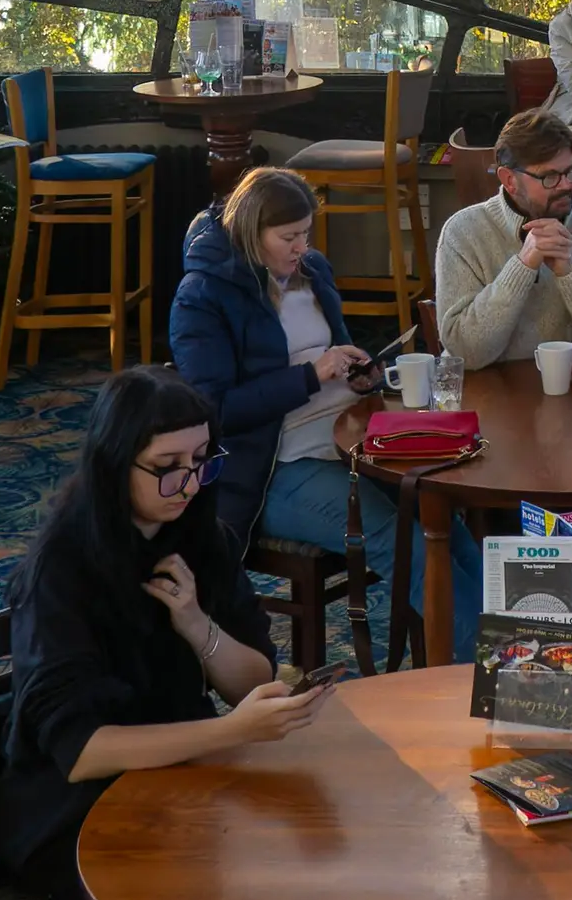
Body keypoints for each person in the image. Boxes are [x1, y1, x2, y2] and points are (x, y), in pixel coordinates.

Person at [0, 369, 328, 900]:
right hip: (74, 808)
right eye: (167, 468)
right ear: (114, 464)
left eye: (202, 460)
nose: (192, 484)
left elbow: (256, 679)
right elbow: (81, 752)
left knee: (301, 837)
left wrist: (199, 626)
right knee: (247, 880)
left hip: (175, 774)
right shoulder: (62, 571)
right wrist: (226, 731)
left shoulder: (201, 536)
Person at [167, 167, 483, 666]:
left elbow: (333, 352)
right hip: (272, 468)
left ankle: (510, 650)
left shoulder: (311, 271)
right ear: (252, 233)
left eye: (305, 235)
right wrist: (312, 376)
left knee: (442, 520)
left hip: (349, 439)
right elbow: (215, 412)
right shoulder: (203, 296)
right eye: (288, 237)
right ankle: (500, 669)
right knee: (398, 539)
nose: (300, 248)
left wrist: (361, 373)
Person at [436, 109, 572, 374]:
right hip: (495, 396)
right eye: (549, 177)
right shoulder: (462, 232)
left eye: (571, 171)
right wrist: (521, 268)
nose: (566, 185)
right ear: (509, 180)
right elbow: (466, 353)